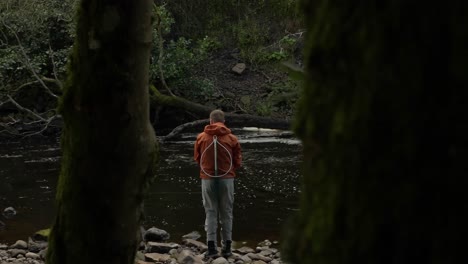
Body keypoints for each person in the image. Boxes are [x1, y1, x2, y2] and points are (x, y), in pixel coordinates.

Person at [194, 109, 242, 258]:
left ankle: (211, 248)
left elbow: (197, 158)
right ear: (224, 122)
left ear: (210, 121)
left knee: (210, 212)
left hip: (207, 179)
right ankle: (227, 248)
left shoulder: (201, 137)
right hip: (226, 179)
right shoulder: (232, 138)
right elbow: (238, 161)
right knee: (226, 212)